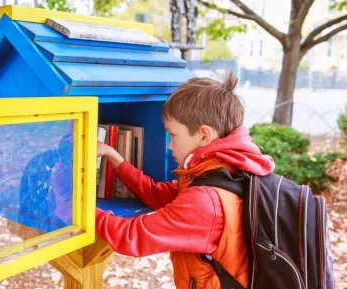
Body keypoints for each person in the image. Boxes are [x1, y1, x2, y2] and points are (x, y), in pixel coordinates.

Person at [95, 72, 275, 288]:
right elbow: (156, 193)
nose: (169, 145)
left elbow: (131, 236)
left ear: (204, 136)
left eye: (173, 135)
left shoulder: (205, 200)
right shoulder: (228, 169)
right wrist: (114, 156)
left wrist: (76, 205)